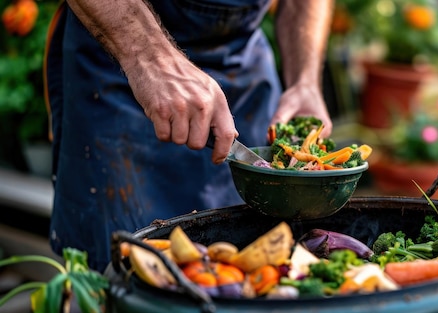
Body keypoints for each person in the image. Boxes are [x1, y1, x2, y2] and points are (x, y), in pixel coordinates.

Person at [44, 0, 334, 272]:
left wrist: (305, 80)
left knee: (250, 264)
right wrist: (150, 59)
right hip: (121, 59)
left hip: (241, 68)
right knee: (121, 274)